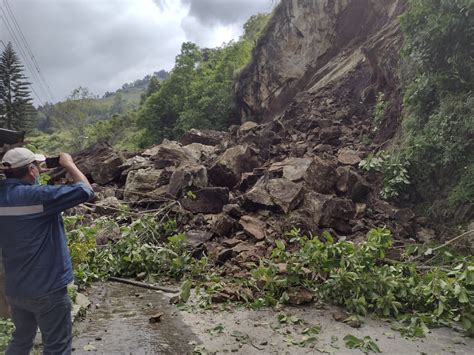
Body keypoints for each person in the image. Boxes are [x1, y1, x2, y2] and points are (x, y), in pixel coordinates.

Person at [0, 147, 94, 355]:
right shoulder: (38, 196)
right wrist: (68, 164)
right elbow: (85, 190)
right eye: (38, 167)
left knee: (21, 340)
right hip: (47, 289)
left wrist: (33, 173)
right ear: (32, 170)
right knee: (56, 348)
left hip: (16, 288)